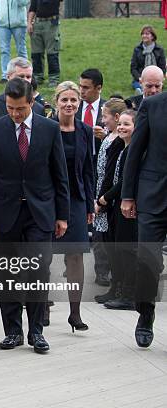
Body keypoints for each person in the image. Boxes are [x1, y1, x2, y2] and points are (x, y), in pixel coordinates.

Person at [0, 77, 69, 354]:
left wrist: (62, 215)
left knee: (38, 270)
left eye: (20, 109)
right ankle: (13, 331)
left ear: (31, 102)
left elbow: (59, 175)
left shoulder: (50, 129)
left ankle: (37, 331)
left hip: (40, 212)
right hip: (4, 213)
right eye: (10, 108)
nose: (15, 114)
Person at [121, 89, 167, 349]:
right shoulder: (152, 105)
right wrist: (128, 196)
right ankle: (145, 312)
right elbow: (135, 152)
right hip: (152, 195)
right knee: (148, 261)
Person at [52, 81, 95, 332]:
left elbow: (88, 170)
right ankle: (42, 305)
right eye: (64, 100)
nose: (69, 104)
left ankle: (75, 313)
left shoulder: (85, 130)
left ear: (79, 103)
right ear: (57, 101)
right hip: (49, 198)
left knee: (76, 255)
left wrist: (90, 203)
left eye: (73, 100)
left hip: (76, 199)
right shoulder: (46, 127)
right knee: (44, 254)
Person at [99, 110, 137, 311]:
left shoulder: (135, 150)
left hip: (127, 205)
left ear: (136, 128)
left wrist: (106, 197)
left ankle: (129, 295)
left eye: (127, 124)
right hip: (115, 205)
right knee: (116, 248)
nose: (121, 127)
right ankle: (117, 288)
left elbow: (126, 181)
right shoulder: (120, 146)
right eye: (120, 123)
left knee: (127, 250)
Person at [93, 98, 127, 304]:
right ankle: (115, 287)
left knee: (114, 245)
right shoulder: (109, 138)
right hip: (103, 194)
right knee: (106, 242)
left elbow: (114, 174)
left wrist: (105, 198)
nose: (103, 120)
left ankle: (119, 287)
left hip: (110, 198)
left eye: (105, 117)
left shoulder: (119, 141)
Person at [0, 57, 44, 123]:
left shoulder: (39, 109)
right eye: (21, 76)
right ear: (8, 77)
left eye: (28, 77)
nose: (25, 80)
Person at [0, 0, 28, 83]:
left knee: (21, 49)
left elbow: (24, 3)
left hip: (19, 24)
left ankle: (25, 73)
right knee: (4, 50)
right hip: (2, 24)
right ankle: (5, 75)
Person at [27, 0, 61, 87]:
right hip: (37, 23)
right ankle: (38, 77)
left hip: (51, 23)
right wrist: (29, 23)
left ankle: (54, 78)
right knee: (36, 53)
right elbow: (32, 8)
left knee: (52, 53)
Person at [76, 68, 105, 164]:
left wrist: (105, 136)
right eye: (80, 86)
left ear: (98, 88)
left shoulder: (108, 109)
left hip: (99, 161)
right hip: (77, 160)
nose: (81, 91)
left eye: (86, 87)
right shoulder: (73, 108)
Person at [130, 25, 165, 94]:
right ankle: (141, 92)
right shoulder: (137, 49)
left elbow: (162, 67)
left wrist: (159, 78)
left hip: (156, 78)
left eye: (147, 34)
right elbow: (133, 68)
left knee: (155, 87)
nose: (144, 36)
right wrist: (139, 78)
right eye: (142, 34)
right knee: (139, 85)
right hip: (140, 78)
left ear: (152, 36)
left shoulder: (159, 50)